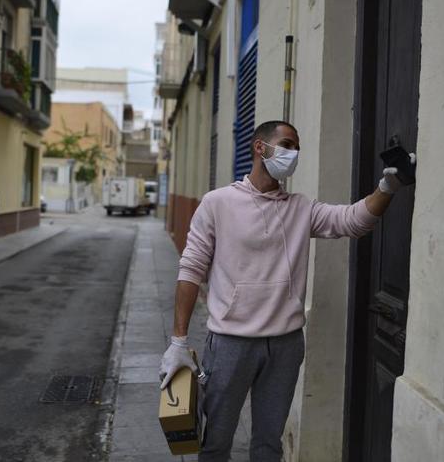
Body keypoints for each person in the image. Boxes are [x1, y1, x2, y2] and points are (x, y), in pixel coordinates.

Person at [158, 120, 415, 461]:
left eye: (297, 148)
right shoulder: (217, 203)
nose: (293, 154)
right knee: (216, 440)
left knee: (268, 444)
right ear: (260, 147)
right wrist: (178, 342)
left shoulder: (301, 208)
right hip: (231, 342)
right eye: (287, 144)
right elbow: (190, 269)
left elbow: (353, 221)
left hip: (285, 345)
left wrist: (388, 186)